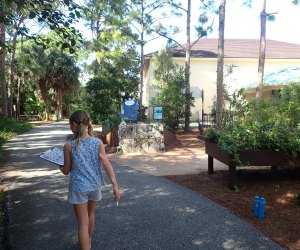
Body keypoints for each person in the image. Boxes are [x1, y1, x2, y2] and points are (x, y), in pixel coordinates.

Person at [60, 110, 121, 250]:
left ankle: (85, 245)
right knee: (90, 214)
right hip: (94, 186)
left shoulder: (69, 145)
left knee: (82, 223)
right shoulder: (98, 142)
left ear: (74, 124)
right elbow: (106, 163)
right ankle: (89, 241)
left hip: (78, 188)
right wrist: (115, 186)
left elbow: (66, 171)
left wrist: (59, 164)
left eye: (70, 125)